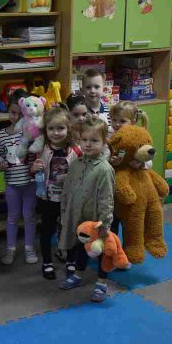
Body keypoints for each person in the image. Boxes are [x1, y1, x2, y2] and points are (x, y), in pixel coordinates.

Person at [59, 116, 115, 303]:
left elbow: (107, 199)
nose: (88, 144)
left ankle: (102, 283)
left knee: (101, 252)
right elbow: (68, 190)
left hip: (97, 221)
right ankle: (78, 274)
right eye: (84, 140)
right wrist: (65, 212)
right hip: (78, 218)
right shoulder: (76, 164)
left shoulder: (105, 169)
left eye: (94, 140)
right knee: (79, 247)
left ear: (104, 142)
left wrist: (104, 224)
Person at [31, 107, 82, 279]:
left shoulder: (75, 150)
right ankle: (47, 262)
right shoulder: (42, 149)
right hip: (48, 198)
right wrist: (33, 168)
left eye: (61, 128)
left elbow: (83, 172)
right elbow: (33, 171)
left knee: (70, 230)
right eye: (51, 128)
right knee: (47, 231)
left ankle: (71, 261)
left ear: (68, 129)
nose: (56, 132)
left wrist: (72, 177)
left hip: (69, 199)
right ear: (45, 130)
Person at [0, 91, 37, 265]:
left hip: (30, 182)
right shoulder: (2, 134)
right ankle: (10, 249)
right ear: (8, 112)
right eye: (13, 112)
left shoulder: (32, 132)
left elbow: (38, 150)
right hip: (12, 183)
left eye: (21, 113)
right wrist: (0, 163)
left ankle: (29, 248)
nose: (17, 117)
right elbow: (0, 155)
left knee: (29, 216)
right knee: (12, 217)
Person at [108, 101, 150, 243]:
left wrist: (140, 163)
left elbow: (149, 157)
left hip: (133, 186)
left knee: (130, 224)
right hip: (112, 187)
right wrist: (111, 161)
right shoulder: (109, 136)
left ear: (133, 121)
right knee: (111, 223)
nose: (117, 124)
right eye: (114, 120)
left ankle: (129, 250)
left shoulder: (139, 136)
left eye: (122, 121)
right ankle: (112, 249)